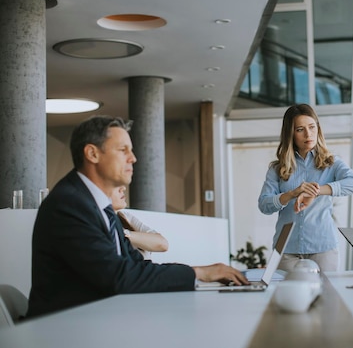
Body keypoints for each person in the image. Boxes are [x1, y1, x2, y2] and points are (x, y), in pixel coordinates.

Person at [27, 115, 248, 318]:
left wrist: (202, 274)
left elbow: (134, 265)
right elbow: (119, 277)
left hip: (100, 321)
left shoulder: (101, 206)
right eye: (123, 150)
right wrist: (199, 273)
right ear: (92, 153)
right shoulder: (69, 204)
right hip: (65, 330)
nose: (133, 158)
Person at [258, 104, 353, 272]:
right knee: (286, 297)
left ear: (318, 128)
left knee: (327, 296)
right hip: (286, 250)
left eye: (312, 127)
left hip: (323, 248)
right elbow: (264, 205)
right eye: (300, 129)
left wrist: (317, 190)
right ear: (290, 133)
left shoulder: (332, 163)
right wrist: (292, 194)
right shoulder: (277, 168)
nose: (308, 134)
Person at [112, 185, 168, 260]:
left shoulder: (125, 216)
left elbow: (162, 244)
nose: (123, 188)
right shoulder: (101, 224)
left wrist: (124, 234)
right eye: (115, 186)